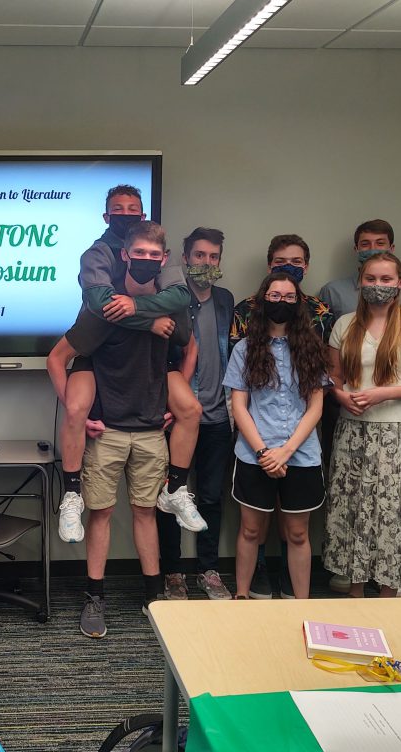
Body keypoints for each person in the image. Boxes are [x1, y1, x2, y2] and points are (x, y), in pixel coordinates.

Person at [47, 222, 173, 637]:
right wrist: (78, 414)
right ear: (124, 256)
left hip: (151, 431)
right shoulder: (100, 313)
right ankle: (94, 597)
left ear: (163, 260)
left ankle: (153, 596)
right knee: (99, 515)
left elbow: (189, 353)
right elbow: (58, 358)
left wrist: (179, 406)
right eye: (139, 254)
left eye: (154, 256)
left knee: (146, 514)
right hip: (108, 432)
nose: (146, 261)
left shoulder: (168, 307)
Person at [57, 185, 199, 547]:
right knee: (75, 407)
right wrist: (149, 320)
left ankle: (177, 487)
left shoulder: (162, 258)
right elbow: (103, 303)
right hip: (99, 348)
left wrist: (139, 308)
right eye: (118, 209)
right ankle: (71, 493)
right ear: (107, 217)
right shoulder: (99, 253)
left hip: (155, 359)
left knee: (191, 408)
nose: (126, 213)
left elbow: (180, 297)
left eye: (133, 208)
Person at [319, 220, 401, 594]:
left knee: (390, 515)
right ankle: (355, 592)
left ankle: (388, 592)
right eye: (371, 279)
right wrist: (341, 395)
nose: (378, 285)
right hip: (352, 432)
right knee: (352, 512)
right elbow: (332, 379)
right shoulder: (345, 325)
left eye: (386, 279)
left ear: (400, 283)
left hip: (398, 435)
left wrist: (383, 394)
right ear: (361, 282)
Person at [229, 234, 334, 599]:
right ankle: (242, 596)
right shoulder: (245, 348)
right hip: (254, 455)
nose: (282, 302)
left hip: (301, 456)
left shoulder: (312, 349)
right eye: (275, 296)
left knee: (298, 534)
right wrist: (263, 453)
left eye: (289, 297)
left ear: (298, 303)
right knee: (251, 532)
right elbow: (238, 406)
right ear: (263, 301)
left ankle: (300, 604)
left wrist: (285, 452)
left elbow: (316, 407)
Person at [156, 227, 235, 601]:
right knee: (171, 494)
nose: (206, 262)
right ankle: (173, 573)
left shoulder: (225, 299)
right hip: (177, 417)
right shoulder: (170, 300)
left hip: (217, 417)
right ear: (185, 258)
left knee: (212, 498)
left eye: (213, 256)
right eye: (199, 255)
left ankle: (208, 570)